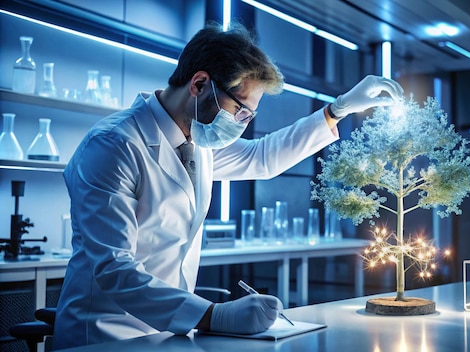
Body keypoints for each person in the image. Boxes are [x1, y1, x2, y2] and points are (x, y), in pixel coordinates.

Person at [54, 21, 403, 350]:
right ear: (199, 84)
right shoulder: (113, 145)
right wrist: (213, 315)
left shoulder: (197, 144)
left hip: (168, 331)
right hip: (106, 333)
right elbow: (115, 269)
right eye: (240, 111)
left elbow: (262, 158)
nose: (243, 124)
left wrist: (337, 110)